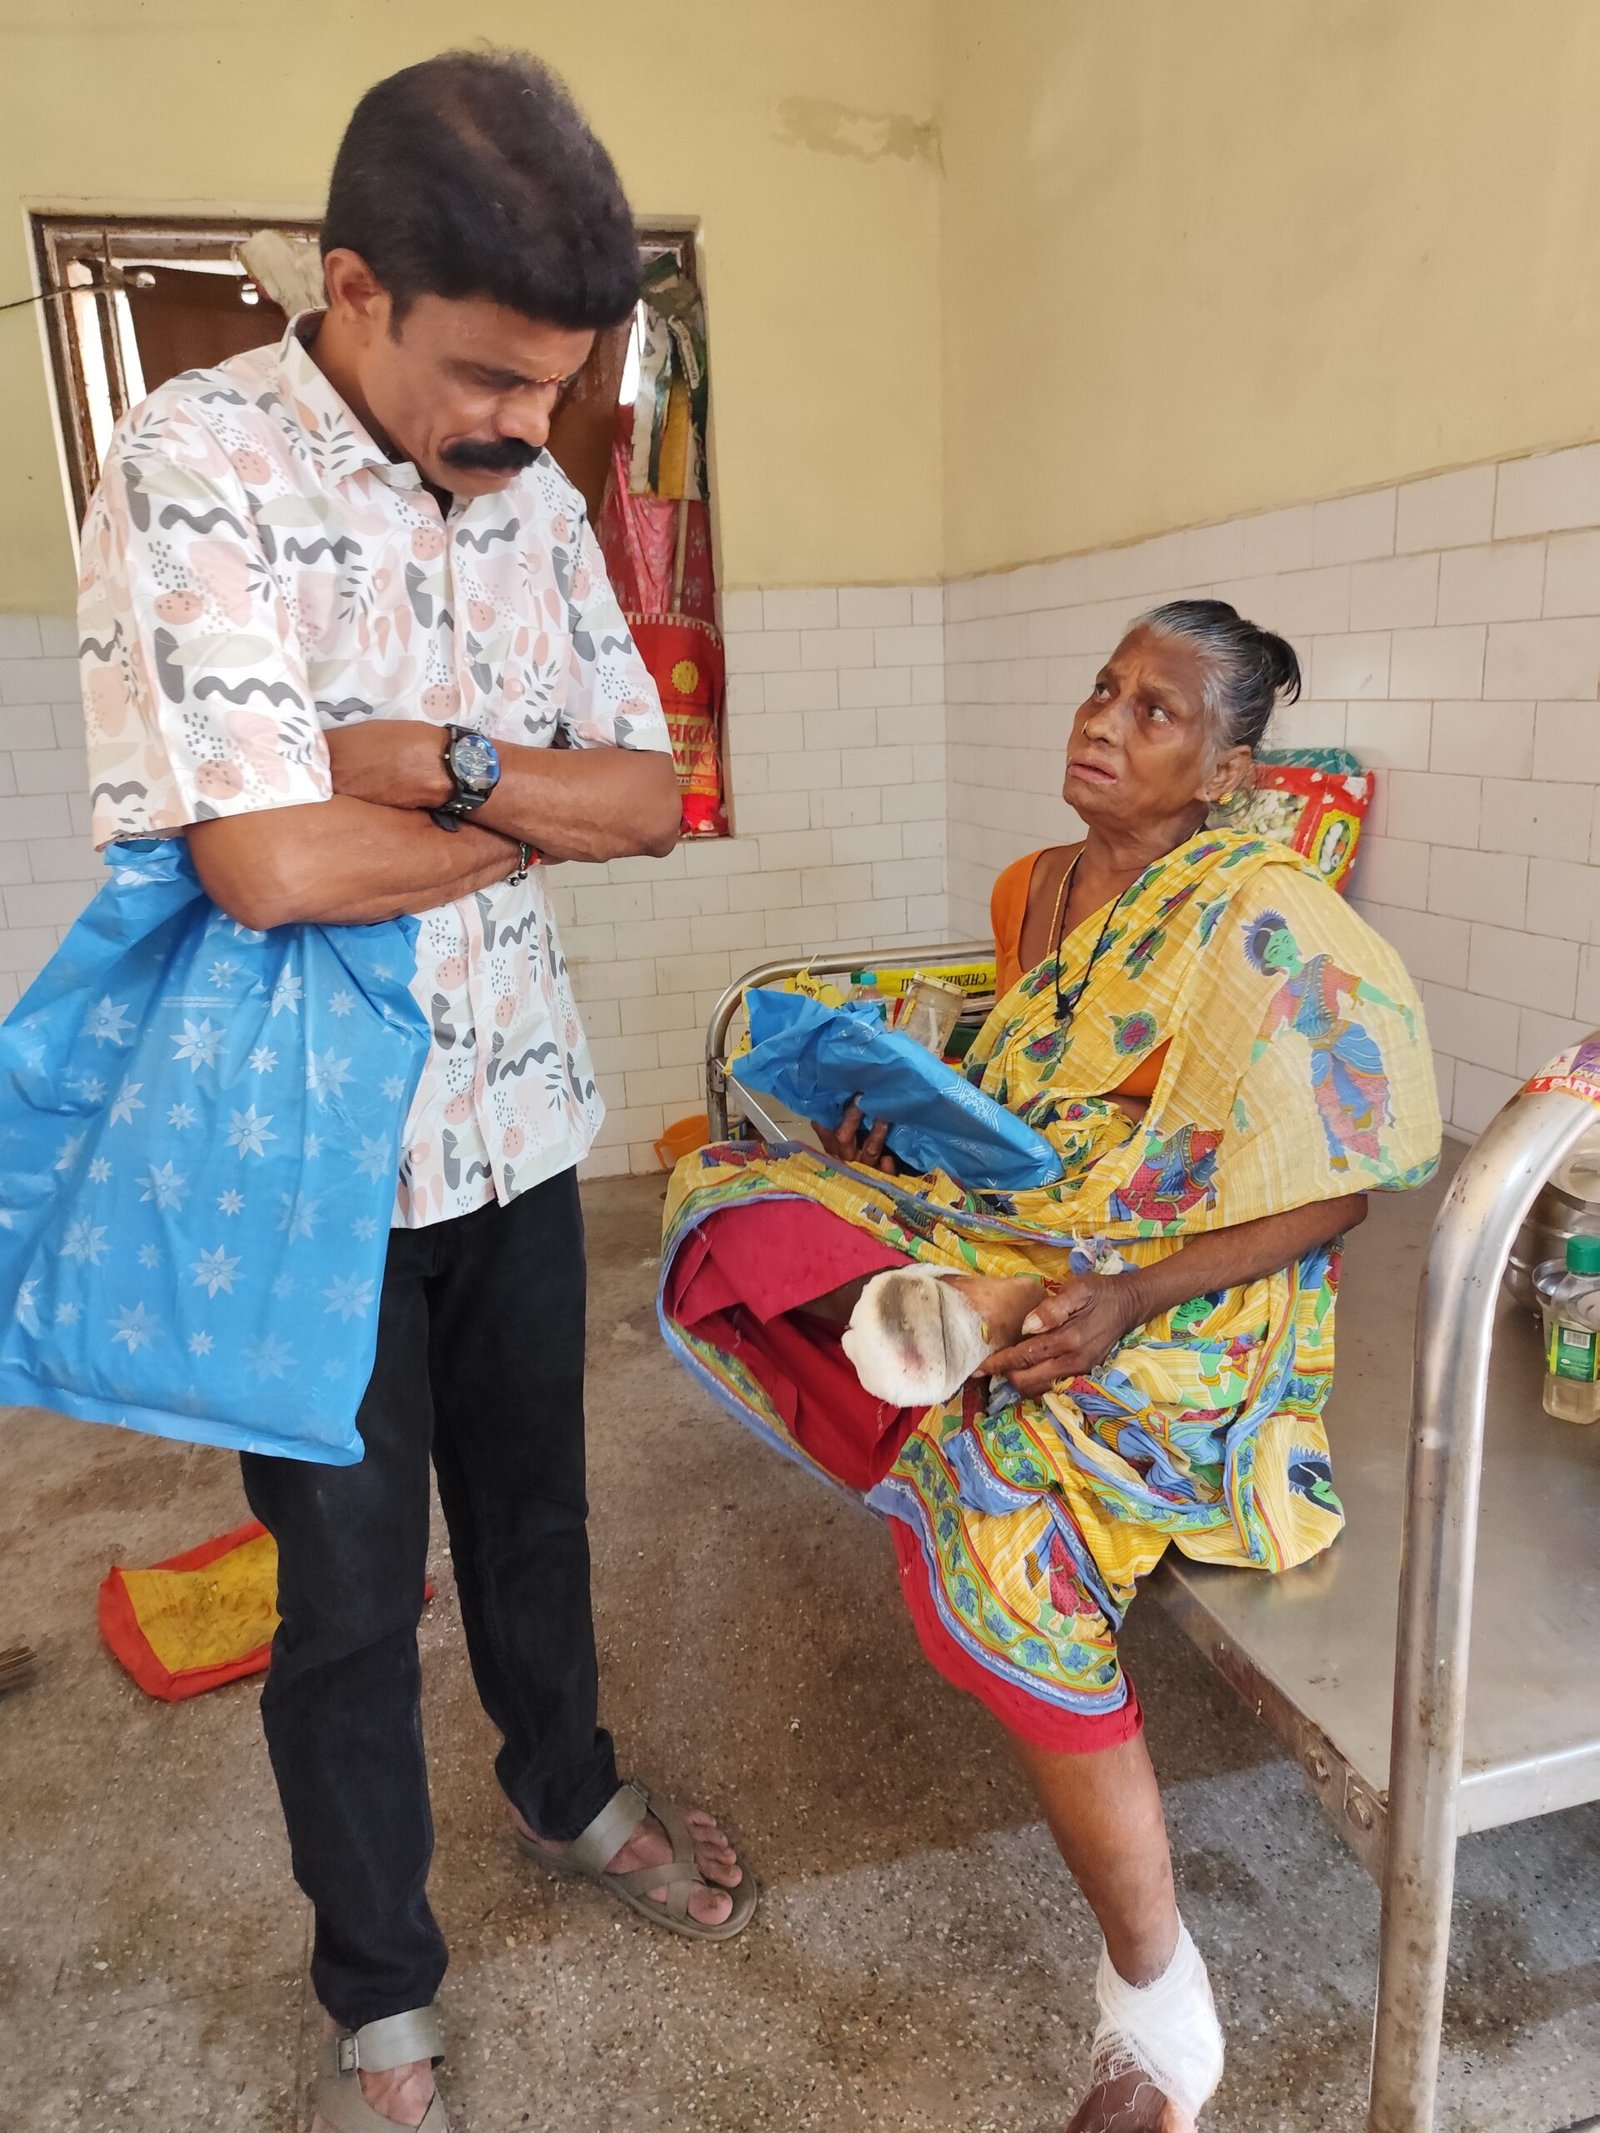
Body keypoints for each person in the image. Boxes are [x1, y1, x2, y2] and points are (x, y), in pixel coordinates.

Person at [77, 51, 753, 2133]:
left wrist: (433, 766)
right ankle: (379, 1989)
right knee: (349, 1595)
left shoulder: (534, 497)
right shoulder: (196, 464)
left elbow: (651, 797)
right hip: (307, 1166)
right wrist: (511, 815)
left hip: (519, 1117)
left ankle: (565, 1786)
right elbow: (265, 869)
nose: (530, 428)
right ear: (353, 287)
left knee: (538, 1510)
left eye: (558, 386)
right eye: (489, 375)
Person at [660, 600, 1440, 2132]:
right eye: (1103, 687)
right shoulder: (1036, 886)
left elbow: (1340, 1189)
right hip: (1028, 1226)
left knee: (1010, 1518)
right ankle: (975, 1308)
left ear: (1224, 770)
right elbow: (1024, 1109)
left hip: (1187, 1286)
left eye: (1156, 711)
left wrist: (1129, 1289)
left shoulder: (1268, 917)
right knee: (727, 1198)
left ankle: (1157, 2004)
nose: (1103, 720)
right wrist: (898, 1133)